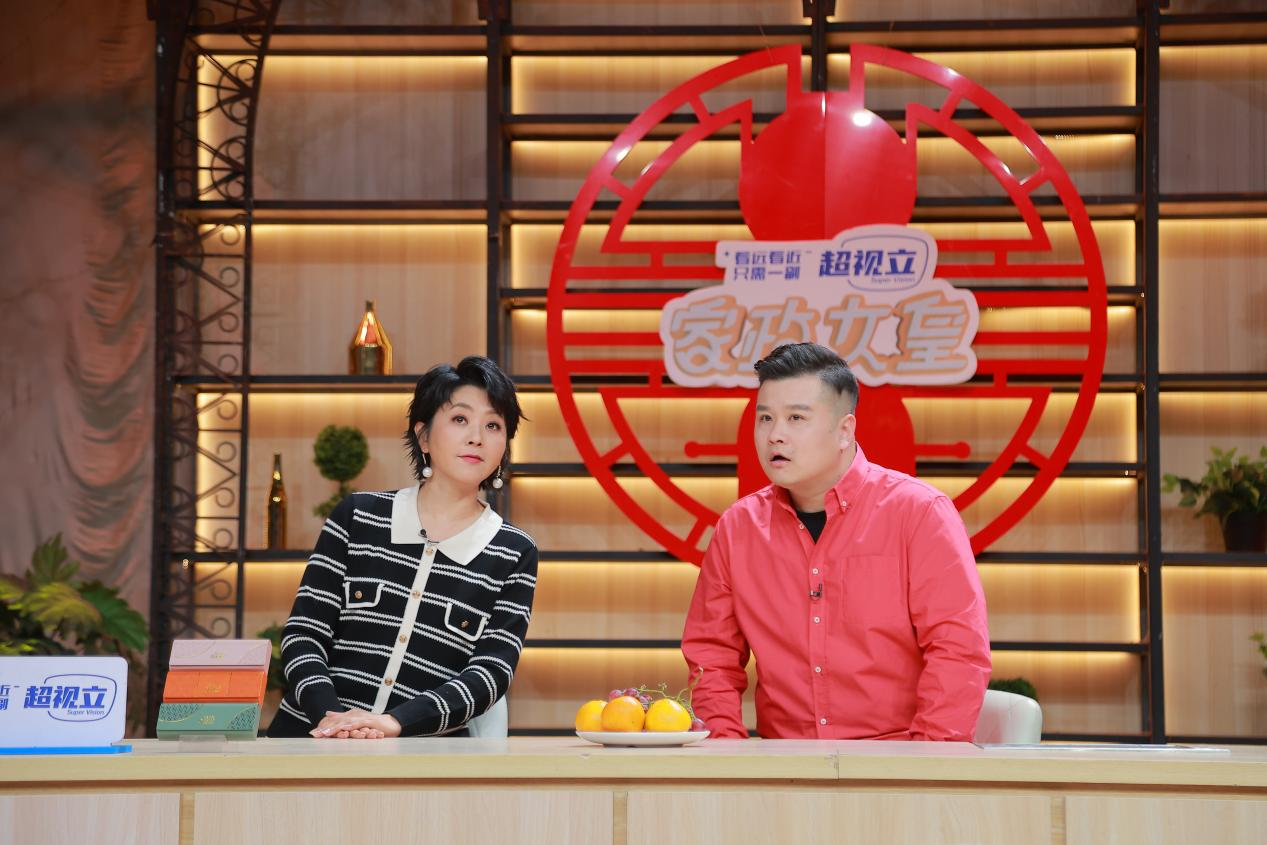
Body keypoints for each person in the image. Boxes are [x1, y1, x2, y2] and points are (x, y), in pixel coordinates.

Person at [681, 342, 990, 741]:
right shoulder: (738, 528)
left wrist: (926, 763)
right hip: (785, 762)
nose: (775, 435)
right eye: (766, 418)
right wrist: (727, 751)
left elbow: (958, 651)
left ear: (845, 430)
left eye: (796, 418)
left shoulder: (920, 513)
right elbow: (712, 655)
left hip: (899, 759)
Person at [268, 356, 537, 739]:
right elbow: (304, 634)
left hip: (422, 753)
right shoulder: (357, 516)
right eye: (460, 419)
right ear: (423, 436)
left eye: (493, 425)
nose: (477, 436)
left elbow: (490, 674)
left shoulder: (513, 551)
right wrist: (332, 719)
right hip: (312, 739)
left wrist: (394, 723)